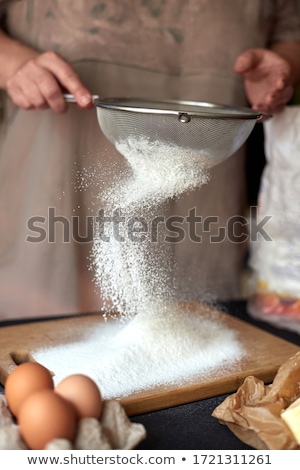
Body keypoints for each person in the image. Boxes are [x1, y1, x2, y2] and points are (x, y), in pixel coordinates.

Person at [0, 0, 299, 320]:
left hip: (204, 183)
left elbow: (290, 31)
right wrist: (11, 62)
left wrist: (283, 67)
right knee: (44, 345)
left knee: (191, 336)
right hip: (52, 175)